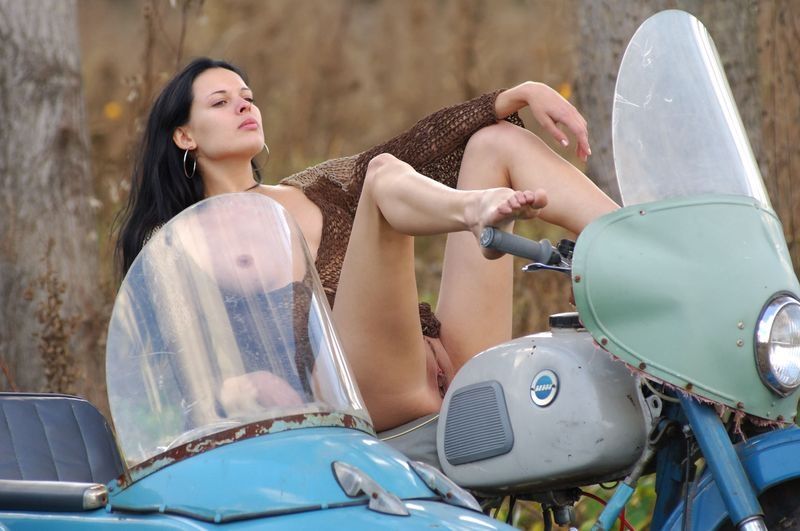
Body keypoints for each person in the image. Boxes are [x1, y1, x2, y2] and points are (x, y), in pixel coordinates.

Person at [116, 58, 618, 432]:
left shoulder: (314, 187)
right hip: (359, 394)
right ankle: (474, 212)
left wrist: (518, 94)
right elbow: (188, 359)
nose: (243, 105)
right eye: (220, 103)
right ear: (184, 135)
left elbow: (417, 148)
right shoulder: (176, 242)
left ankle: (638, 246)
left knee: (492, 143)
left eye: (246, 95)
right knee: (380, 180)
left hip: (452, 359)